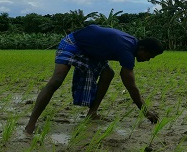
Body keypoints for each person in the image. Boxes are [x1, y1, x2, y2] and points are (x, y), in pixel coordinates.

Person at [25, 24, 164, 134]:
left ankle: (92, 113)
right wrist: (146, 111)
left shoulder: (133, 43)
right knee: (57, 80)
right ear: (142, 49)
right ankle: (30, 124)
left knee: (107, 74)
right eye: (149, 56)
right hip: (74, 43)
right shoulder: (127, 51)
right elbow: (131, 87)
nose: (148, 60)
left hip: (91, 52)